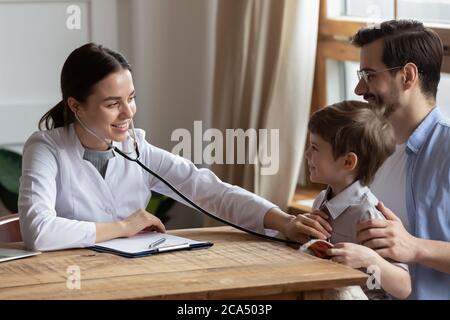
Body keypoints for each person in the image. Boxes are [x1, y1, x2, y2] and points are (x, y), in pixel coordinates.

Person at [18, 43, 320, 251]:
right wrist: (125, 225)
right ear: (76, 106)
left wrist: (285, 221)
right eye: (113, 104)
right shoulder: (46, 149)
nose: (128, 112)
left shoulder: (139, 150)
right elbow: (40, 232)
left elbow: (210, 191)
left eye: (131, 98)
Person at [350, 20, 450, 299]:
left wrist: (415, 247)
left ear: (407, 76)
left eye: (369, 75)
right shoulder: (369, 148)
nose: (359, 89)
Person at [304, 100, 411, 299]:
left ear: (348, 162)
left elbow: (403, 287)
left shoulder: (368, 216)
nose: (307, 154)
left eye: (315, 148)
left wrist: (369, 260)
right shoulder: (320, 201)